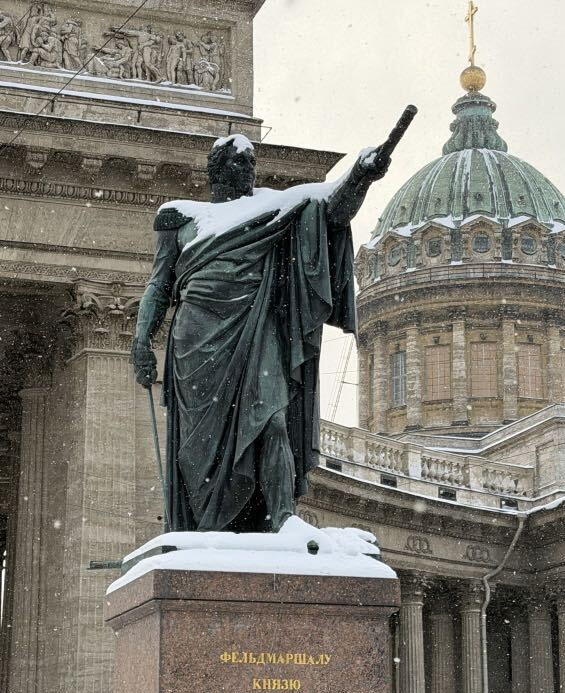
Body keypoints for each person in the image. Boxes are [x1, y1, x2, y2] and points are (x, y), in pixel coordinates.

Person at [131, 134, 391, 533]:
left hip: (255, 328)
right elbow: (158, 285)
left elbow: (332, 210)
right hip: (195, 342)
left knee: (272, 419)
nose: (249, 170)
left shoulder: (274, 206)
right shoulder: (180, 218)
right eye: (240, 162)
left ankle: (283, 517)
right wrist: (140, 338)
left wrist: (361, 175)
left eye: (252, 163)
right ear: (217, 170)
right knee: (198, 450)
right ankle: (206, 522)